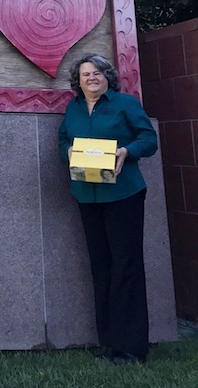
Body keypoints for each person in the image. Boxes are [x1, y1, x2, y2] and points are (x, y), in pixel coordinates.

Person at [58, 53, 158, 364]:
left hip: (123, 195)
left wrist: (127, 151)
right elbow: (62, 139)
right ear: (78, 80)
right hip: (87, 196)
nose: (91, 78)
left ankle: (131, 348)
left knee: (126, 267)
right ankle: (111, 345)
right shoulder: (73, 107)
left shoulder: (126, 103)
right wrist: (69, 150)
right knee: (102, 268)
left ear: (107, 77)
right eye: (85, 74)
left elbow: (149, 139)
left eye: (97, 73)